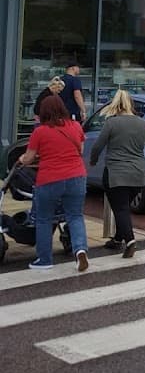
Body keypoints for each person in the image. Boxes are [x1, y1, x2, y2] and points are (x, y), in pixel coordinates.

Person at [19, 94, 89, 271]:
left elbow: (28, 159)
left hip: (50, 179)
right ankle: (80, 250)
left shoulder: (40, 131)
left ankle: (44, 260)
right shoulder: (75, 126)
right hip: (77, 176)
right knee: (75, 216)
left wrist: (22, 158)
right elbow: (80, 150)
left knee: (44, 219)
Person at [90, 89, 145, 258]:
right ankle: (117, 239)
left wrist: (92, 161)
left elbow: (98, 146)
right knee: (123, 208)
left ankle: (129, 241)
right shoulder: (143, 124)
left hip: (116, 173)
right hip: (138, 174)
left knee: (120, 208)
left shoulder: (111, 123)